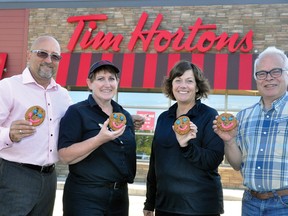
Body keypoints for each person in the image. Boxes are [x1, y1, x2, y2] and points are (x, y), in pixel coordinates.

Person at [0, 36, 72, 215]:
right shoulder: (8, 87)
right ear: (28, 55)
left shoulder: (63, 96)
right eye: (42, 53)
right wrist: (8, 134)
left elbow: (80, 126)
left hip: (50, 178)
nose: (48, 60)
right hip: (14, 174)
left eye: (55, 56)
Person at [57, 60, 140, 216]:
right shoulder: (76, 112)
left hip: (119, 197)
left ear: (117, 82)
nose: (107, 84)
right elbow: (64, 156)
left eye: (111, 78)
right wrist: (99, 139)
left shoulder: (124, 116)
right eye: (100, 79)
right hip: (85, 196)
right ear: (90, 83)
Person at [213, 46, 288, 216]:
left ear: (286, 74)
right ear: (256, 78)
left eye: (275, 71)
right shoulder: (243, 117)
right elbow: (236, 164)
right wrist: (229, 141)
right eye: (262, 73)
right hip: (250, 204)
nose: (268, 78)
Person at [143, 60, 225, 216]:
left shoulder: (209, 115)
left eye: (189, 81)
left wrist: (187, 147)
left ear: (197, 87)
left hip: (199, 207)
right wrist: (150, 202)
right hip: (165, 205)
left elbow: (214, 159)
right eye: (178, 80)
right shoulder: (163, 118)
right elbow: (155, 163)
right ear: (171, 85)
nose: (183, 85)